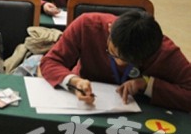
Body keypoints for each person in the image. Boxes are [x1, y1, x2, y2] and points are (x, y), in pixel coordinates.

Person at [40, 11, 191, 112]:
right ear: (110, 29)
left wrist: (147, 84)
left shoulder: (164, 50)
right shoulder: (87, 25)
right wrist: (74, 82)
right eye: (112, 53)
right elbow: (50, 61)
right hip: (85, 105)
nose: (120, 63)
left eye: (130, 61)